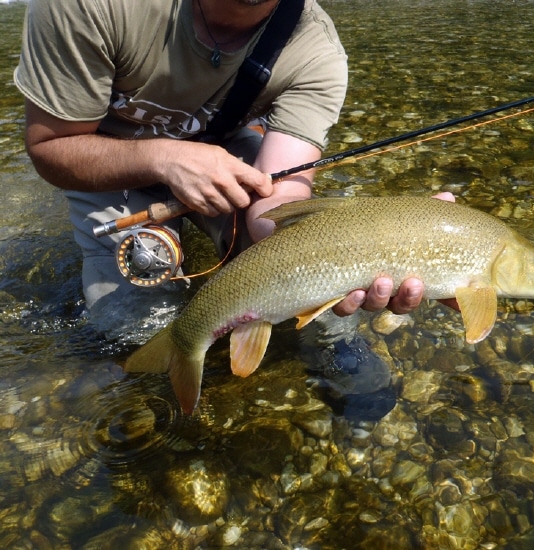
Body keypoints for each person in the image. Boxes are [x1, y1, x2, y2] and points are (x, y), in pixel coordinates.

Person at [14, 0, 430, 337]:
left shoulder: (315, 50)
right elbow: (52, 148)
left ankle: (333, 348)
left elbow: (282, 199)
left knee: (318, 283)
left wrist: (377, 247)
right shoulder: (88, 5)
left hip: (224, 151)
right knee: (132, 324)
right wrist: (165, 159)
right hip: (106, 158)